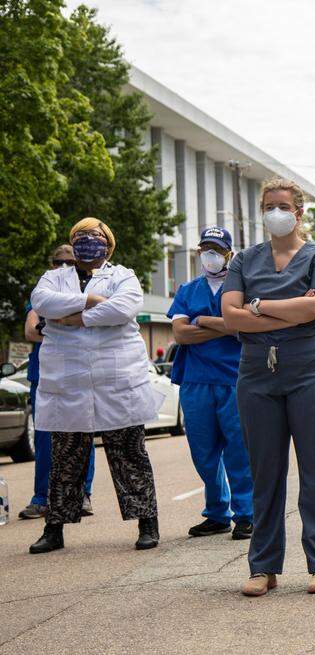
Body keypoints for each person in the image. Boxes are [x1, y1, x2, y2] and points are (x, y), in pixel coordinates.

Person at [221, 178, 315, 596]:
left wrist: (258, 306)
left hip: (313, 366)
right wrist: (292, 311)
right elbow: (229, 317)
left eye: (283, 205)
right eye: (269, 206)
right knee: (265, 472)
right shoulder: (244, 261)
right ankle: (263, 566)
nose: (276, 213)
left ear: (299, 211)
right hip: (257, 371)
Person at [28, 218, 164, 554]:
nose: (89, 240)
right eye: (81, 236)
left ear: (109, 243)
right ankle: (54, 528)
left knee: (130, 455)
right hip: (69, 381)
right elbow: (43, 303)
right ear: (72, 243)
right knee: (65, 460)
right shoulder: (53, 277)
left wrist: (74, 318)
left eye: (96, 236)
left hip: (116, 380)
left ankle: (147, 522)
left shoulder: (123, 275)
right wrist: (90, 302)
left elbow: (123, 308)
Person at [167, 226, 254, 540]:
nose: (210, 254)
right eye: (205, 248)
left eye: (216, 249)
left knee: (239, 450)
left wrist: (201, 320)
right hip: (196, 381)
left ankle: (246, 514)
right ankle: (217, 513)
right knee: (203, 452)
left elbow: (245, 329)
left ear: (229, 253)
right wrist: (226, 325)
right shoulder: (188, 290)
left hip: (234, 379)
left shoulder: (241, 287)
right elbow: (180, 334)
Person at [18, 245, 98, 521]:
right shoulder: (43, 293)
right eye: (58, 261)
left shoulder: (85, 290)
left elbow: (95, 323)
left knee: (83, 435)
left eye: (69, 261)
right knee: (45, 440)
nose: (63, 265)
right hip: (45, 376)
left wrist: (54, 325)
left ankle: (83, 494)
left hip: (79, 374)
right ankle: (42, 497)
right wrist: (65, 324)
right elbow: (31, 330)